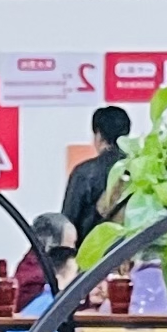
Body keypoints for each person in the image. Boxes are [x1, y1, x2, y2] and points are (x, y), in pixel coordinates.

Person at [59, 101, 134, 241]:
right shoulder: (139, 169)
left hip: (93, 256)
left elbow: (68, 224)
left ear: (98, 135)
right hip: (132, 254)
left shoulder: (85, 173)